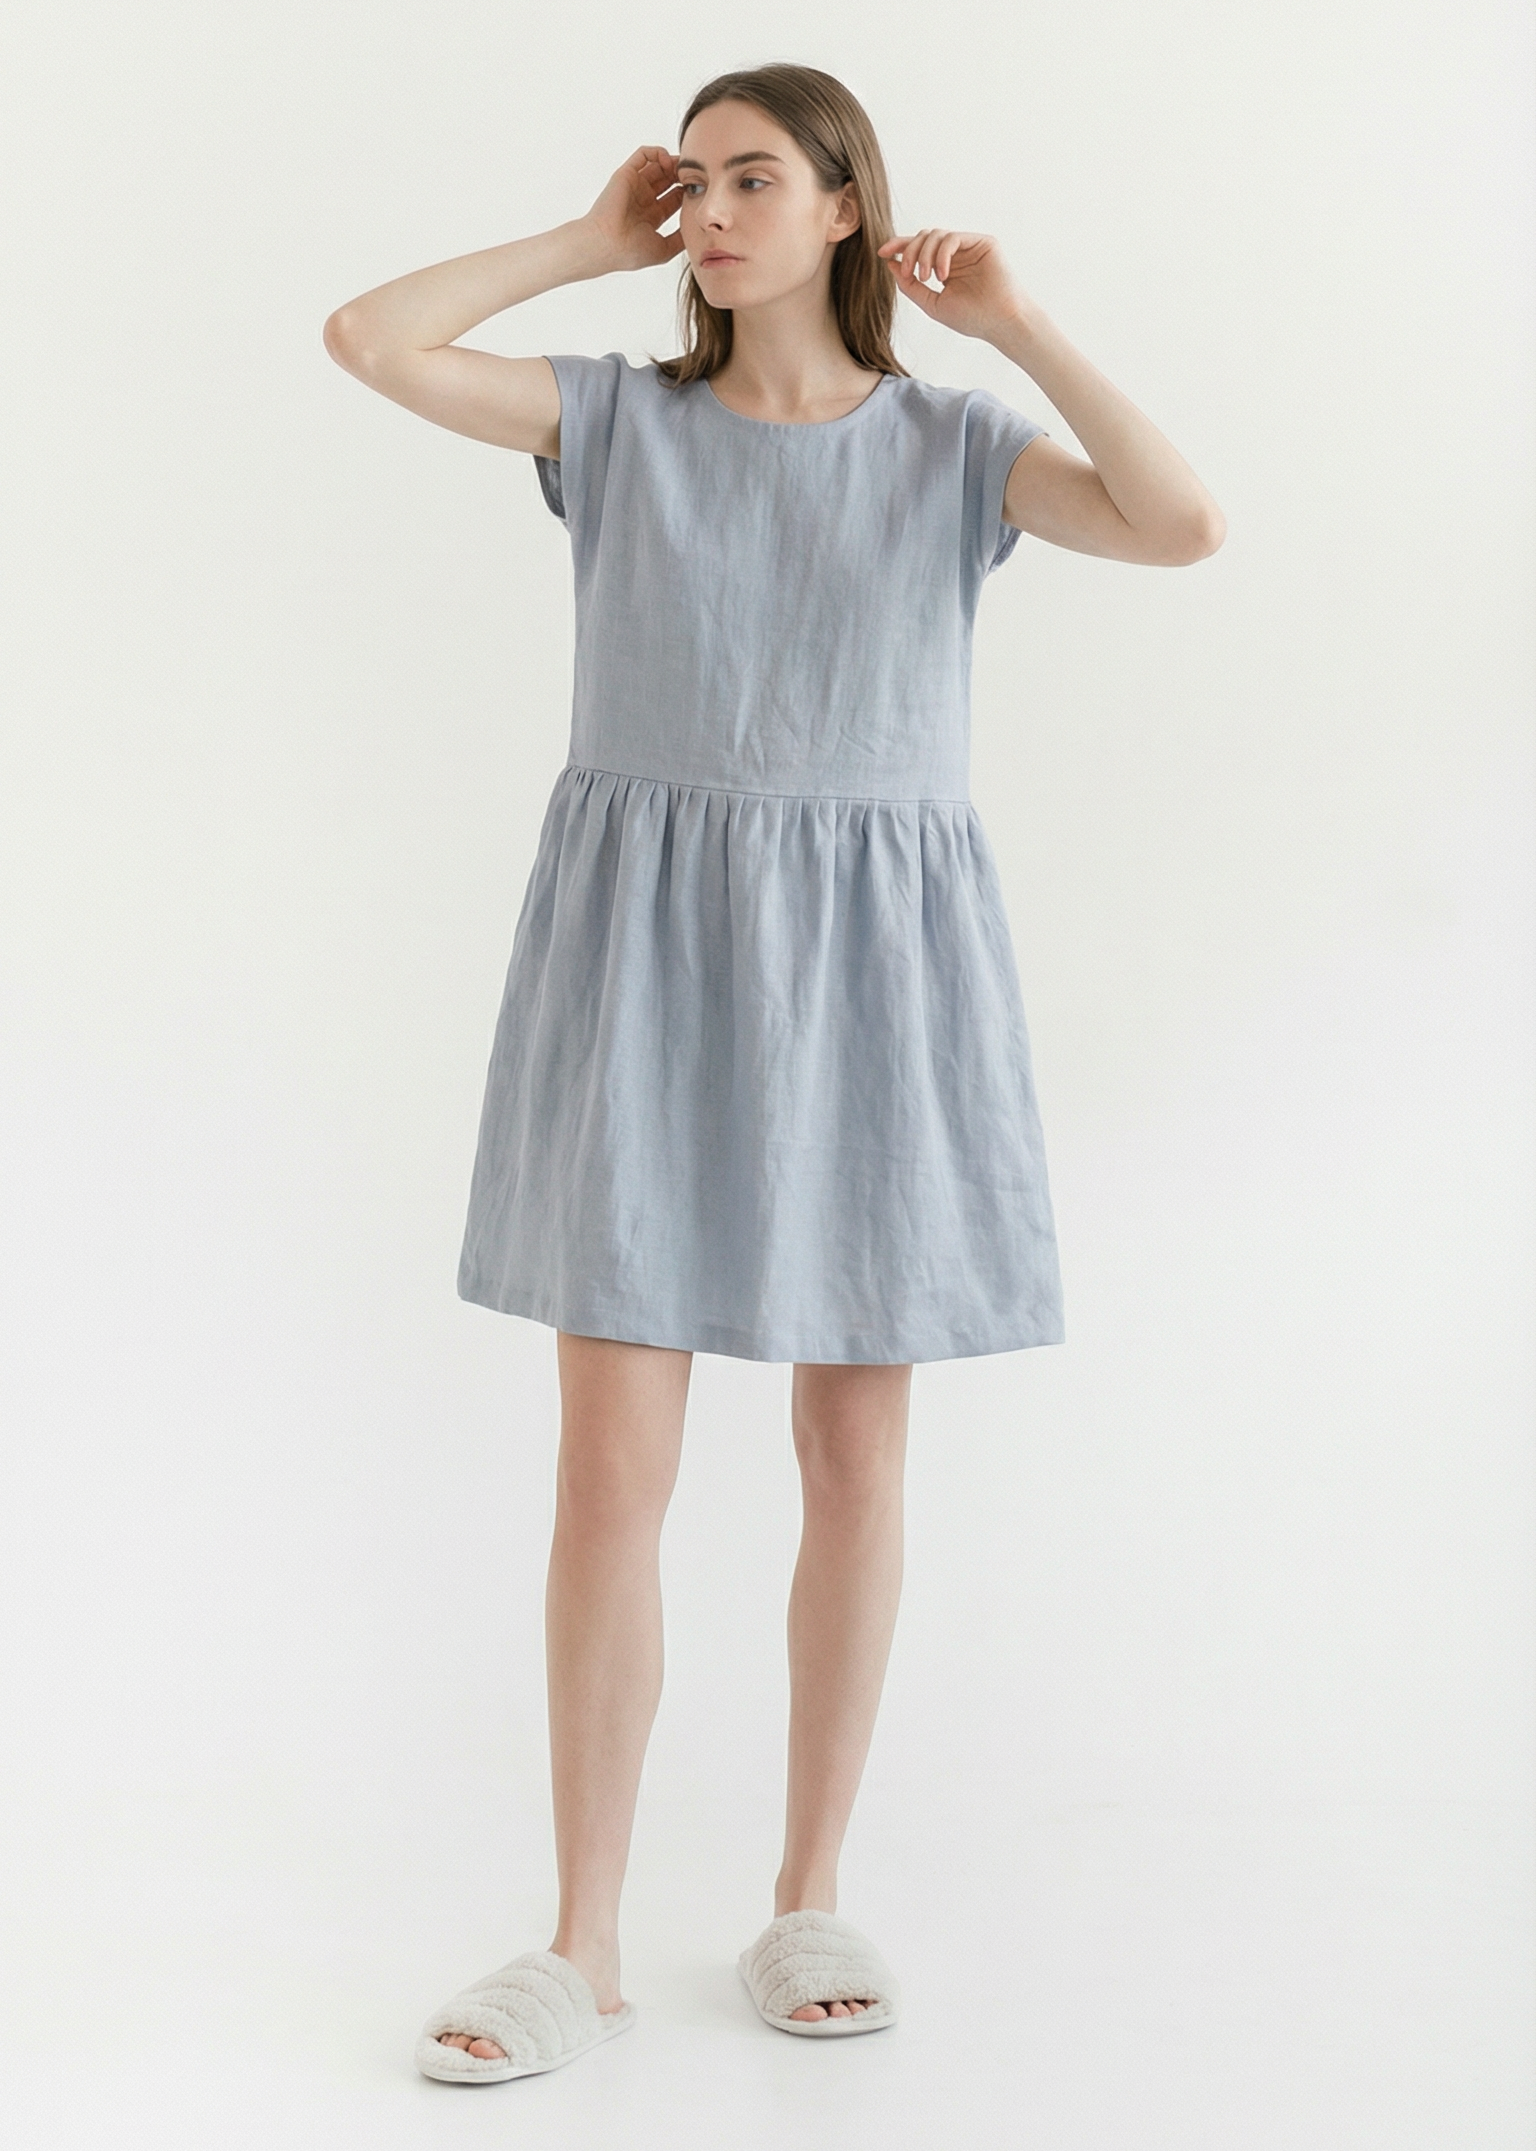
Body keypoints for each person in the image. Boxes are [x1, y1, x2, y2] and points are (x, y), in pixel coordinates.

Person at [322, 61, 1224, 2083]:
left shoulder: (950, 443)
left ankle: (810, 1889)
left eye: (754, 180)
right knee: (610, 1468)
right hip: (643, 960)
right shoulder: (617, 424)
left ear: (843, 210)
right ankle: (580, 1937)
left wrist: (1016, 321)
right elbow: (371, 339)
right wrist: (585, 236)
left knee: (852, 1456)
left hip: (875, 978)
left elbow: (1184, 523)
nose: (714, 212)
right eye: (695, 181)